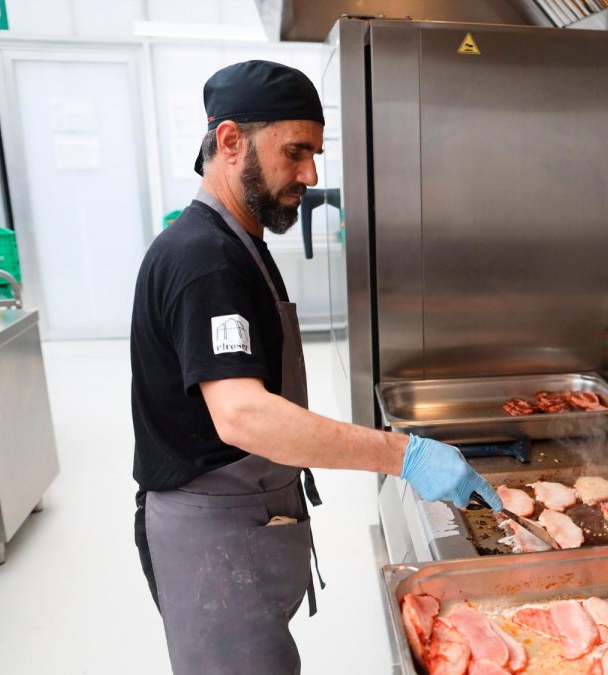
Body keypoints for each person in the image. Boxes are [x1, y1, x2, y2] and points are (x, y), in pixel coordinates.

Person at [130, 60, 502, 675]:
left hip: (241, 519)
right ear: (229, 141)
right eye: (295, 153)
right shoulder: (206, 260)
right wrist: (404, 455)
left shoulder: (237, 242)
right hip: (210, 537)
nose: (310, 175)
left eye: (315, 154)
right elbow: (242, 414)